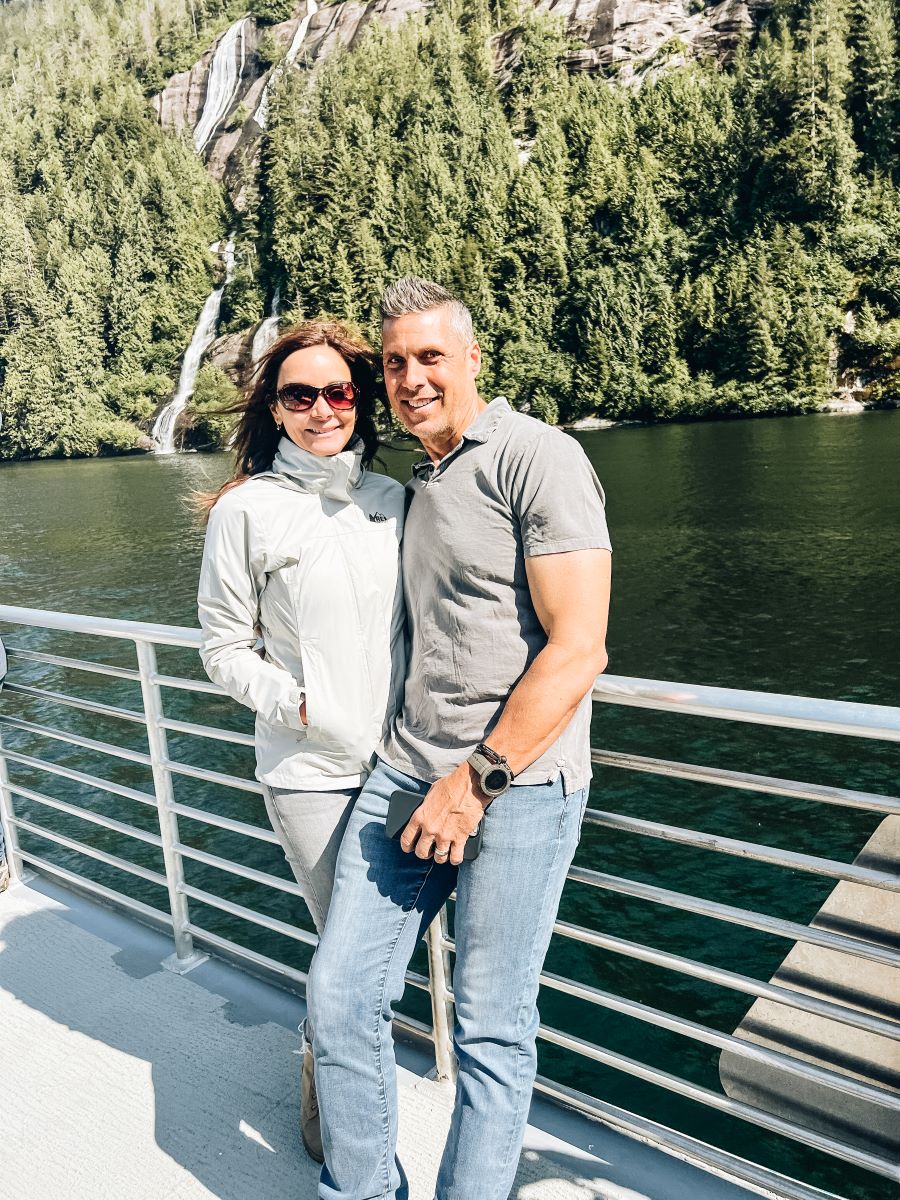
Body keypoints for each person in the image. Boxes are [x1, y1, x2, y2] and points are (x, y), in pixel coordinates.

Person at [308, 277, 612, 1200]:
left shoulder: (538, 458)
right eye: (395, 363)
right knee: (337, 999)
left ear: (474, 359)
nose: (411, 378)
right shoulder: (423, 481)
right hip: (406, 771)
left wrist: (472, 782)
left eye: (430, 357)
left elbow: (580, 646)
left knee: (488, 1027)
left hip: (514, 787)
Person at [196, 319, 406, 1163]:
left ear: (361, 400)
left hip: (402, 771)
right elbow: (221, 646)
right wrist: (302, 706)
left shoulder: (395, 503)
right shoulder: (245, 511)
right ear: (275, 408)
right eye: (300, 394)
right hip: (310, 775)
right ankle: (346, 1133)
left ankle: (339, 1080)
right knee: (352, 972)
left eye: (339, 392)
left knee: (371, 971)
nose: (323, 408)